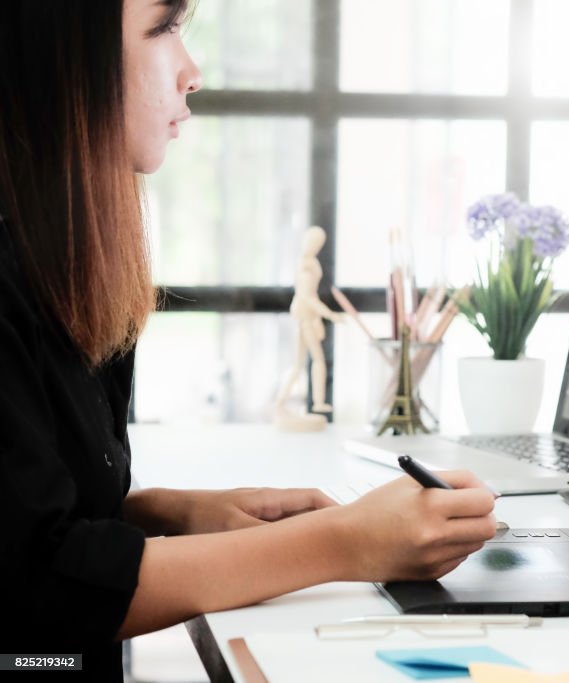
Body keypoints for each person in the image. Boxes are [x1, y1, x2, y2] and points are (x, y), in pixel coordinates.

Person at [0, 2, 497, 680]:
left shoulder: (58, 262)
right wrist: (345, 542)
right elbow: (40, 587)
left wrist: (176, 512)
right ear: (61, 59)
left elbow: (35, 512)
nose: (192, 71)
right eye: (163, 29)